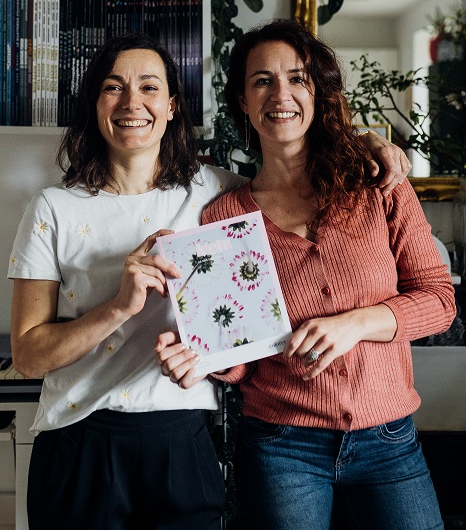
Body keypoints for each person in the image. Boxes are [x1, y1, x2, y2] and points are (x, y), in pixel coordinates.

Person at [9, 31, 410, 530]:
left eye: (149, 87)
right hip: (79, 438)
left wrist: (365, 143)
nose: (132, 102)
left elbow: (291, 174)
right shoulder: (52, 208)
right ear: (95, 104)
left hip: (183, 438)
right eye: (113, 87)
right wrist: (117, 307)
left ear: (172, 106)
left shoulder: (218, 195)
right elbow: (28, 357)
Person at [156, 19, 456, 530]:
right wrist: (202, 357)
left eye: (297, 78)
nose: (281, 94)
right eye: (262, 81)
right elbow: (243, 359)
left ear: (318, 92)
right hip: (281, 447)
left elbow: (440, 301)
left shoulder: (377, 183)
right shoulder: (225, 216)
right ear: (243, 101)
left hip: (390, 440)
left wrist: (355, 324)